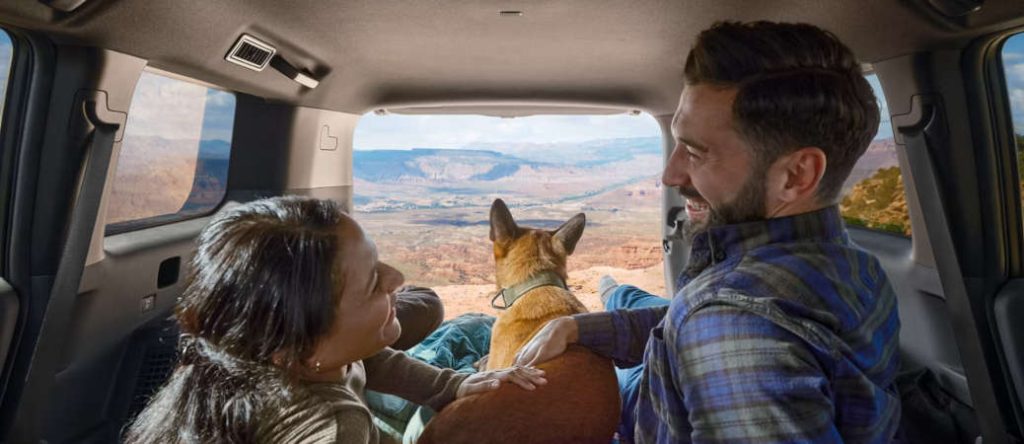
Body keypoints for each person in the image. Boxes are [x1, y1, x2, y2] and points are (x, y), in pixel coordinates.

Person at [515, 21, 901, 443]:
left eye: (697, 152)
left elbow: (727, 325)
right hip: (665, 374)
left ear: (795, 175)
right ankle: (612, 288)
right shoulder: (851, 263)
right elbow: (690, 320)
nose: (670, 174)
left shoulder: (732, 327)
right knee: (626, 297)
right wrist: (577, 328)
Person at [124, 196, 546, 444]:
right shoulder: (337, 426)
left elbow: (369, 359)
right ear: (300, 346)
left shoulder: (280, 355)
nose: (397, 278)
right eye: (371, 282)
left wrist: (449, 385)